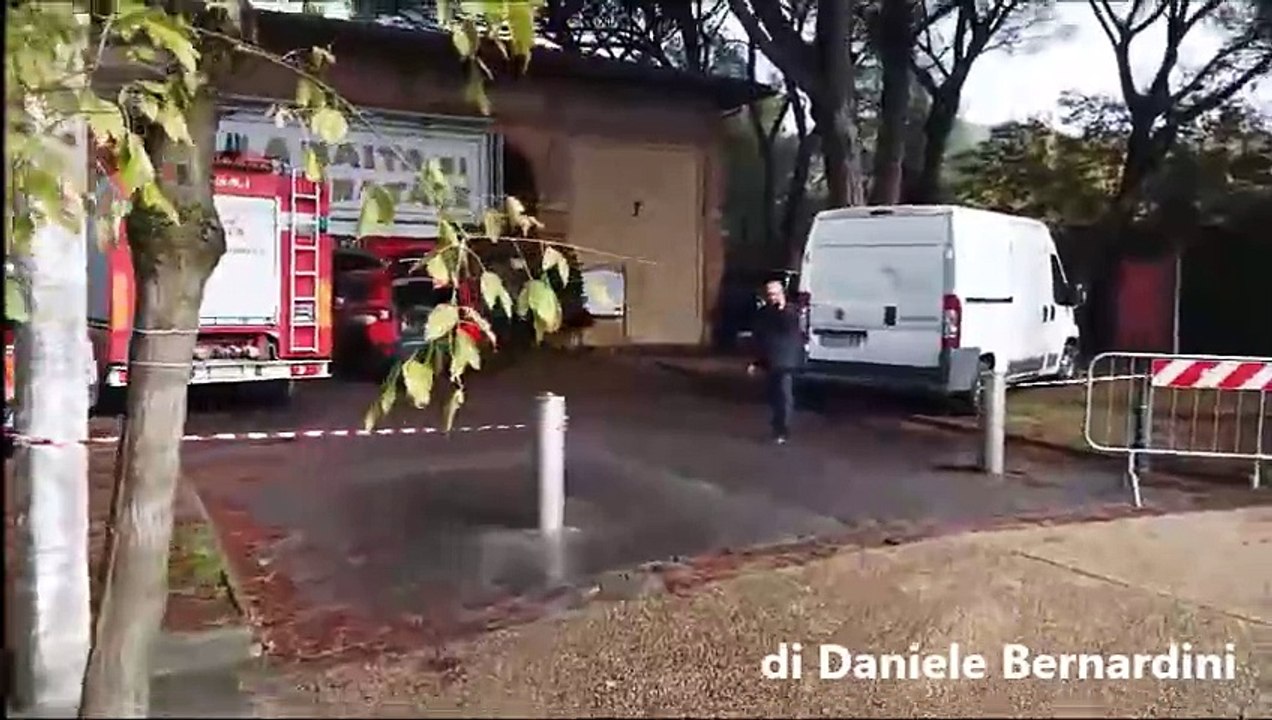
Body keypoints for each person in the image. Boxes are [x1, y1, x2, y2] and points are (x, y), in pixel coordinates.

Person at [747, 278, 803, 444]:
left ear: (782, 294)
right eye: (769, 294)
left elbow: (790, 329)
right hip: (770, 359)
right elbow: (761, 337)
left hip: (786, 360)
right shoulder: (764, 313)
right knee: (773, 396)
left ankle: (782, 430)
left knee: (783, 395)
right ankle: (776, 426)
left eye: (775, 294)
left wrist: (782, 308)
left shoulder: (791, 312)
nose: (772, 297)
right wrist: (756, 362)